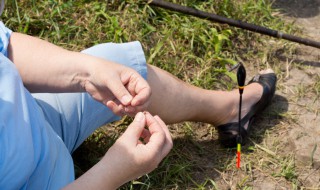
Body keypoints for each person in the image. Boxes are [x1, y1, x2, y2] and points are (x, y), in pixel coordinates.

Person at [0, 2, 277, 190]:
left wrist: (88, 71)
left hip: (34, 119)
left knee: (121, 65)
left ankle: (229, 111)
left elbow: (6, 47)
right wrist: (112, 174)